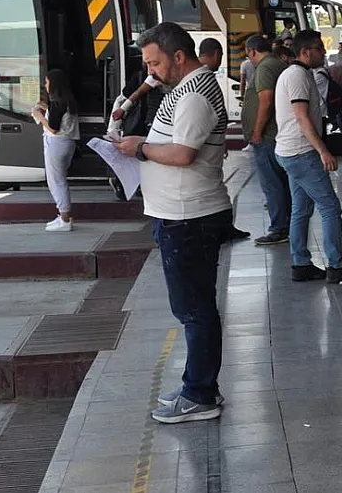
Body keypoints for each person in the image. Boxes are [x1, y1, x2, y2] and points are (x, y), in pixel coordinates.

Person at [111, 22, 231, 423]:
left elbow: (182, 155)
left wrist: (140, 148)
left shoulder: (195, 95)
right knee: (194, 307)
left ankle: (199, 394)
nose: (151, 72)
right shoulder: (182, 89)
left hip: (189, 217)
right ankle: (199, 385)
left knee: (194, 309)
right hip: (179, 214)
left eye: (155, 62)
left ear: (178, 57)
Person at [273, 30, 342, 284]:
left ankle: (300, 264)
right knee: (330, 207)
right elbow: (302, 117)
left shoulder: (299, 74)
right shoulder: (297, 76)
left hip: (290, 151)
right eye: (318, 48)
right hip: (300, 152)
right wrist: (323, 151)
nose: (324, 52)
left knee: (301, 209)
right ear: (305, 52)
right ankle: (336, 265)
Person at [198, 39, 251, 242]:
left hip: (213, 141)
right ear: (216, 53)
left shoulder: (203, 76)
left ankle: (224, 226)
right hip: (207, 143)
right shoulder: (202, 78)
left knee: (218, 186)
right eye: (220, 57)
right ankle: (220, 228)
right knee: (212, 186)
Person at [243, 36, 291, 246]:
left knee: (272, 183)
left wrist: (257, 131)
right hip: (277, 134)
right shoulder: (278, 63)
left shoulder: (264, 68)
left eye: (248, 55)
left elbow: (266, 101)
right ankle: (287, 224)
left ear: (253, 51)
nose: (249, 59)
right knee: (281, 182)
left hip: (268, 135)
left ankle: (279, 227)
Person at [31, 69, 80, 232]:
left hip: (56, 144)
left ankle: (65, 218)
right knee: (60, 179)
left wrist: (38, 115)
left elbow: (53, 127)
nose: (45, 85)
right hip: (68, 143)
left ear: (53, 84)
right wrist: (47, 108)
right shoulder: (68, 101)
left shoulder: (58, 103)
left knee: (56, 181)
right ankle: (63, 216)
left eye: (46, 82)